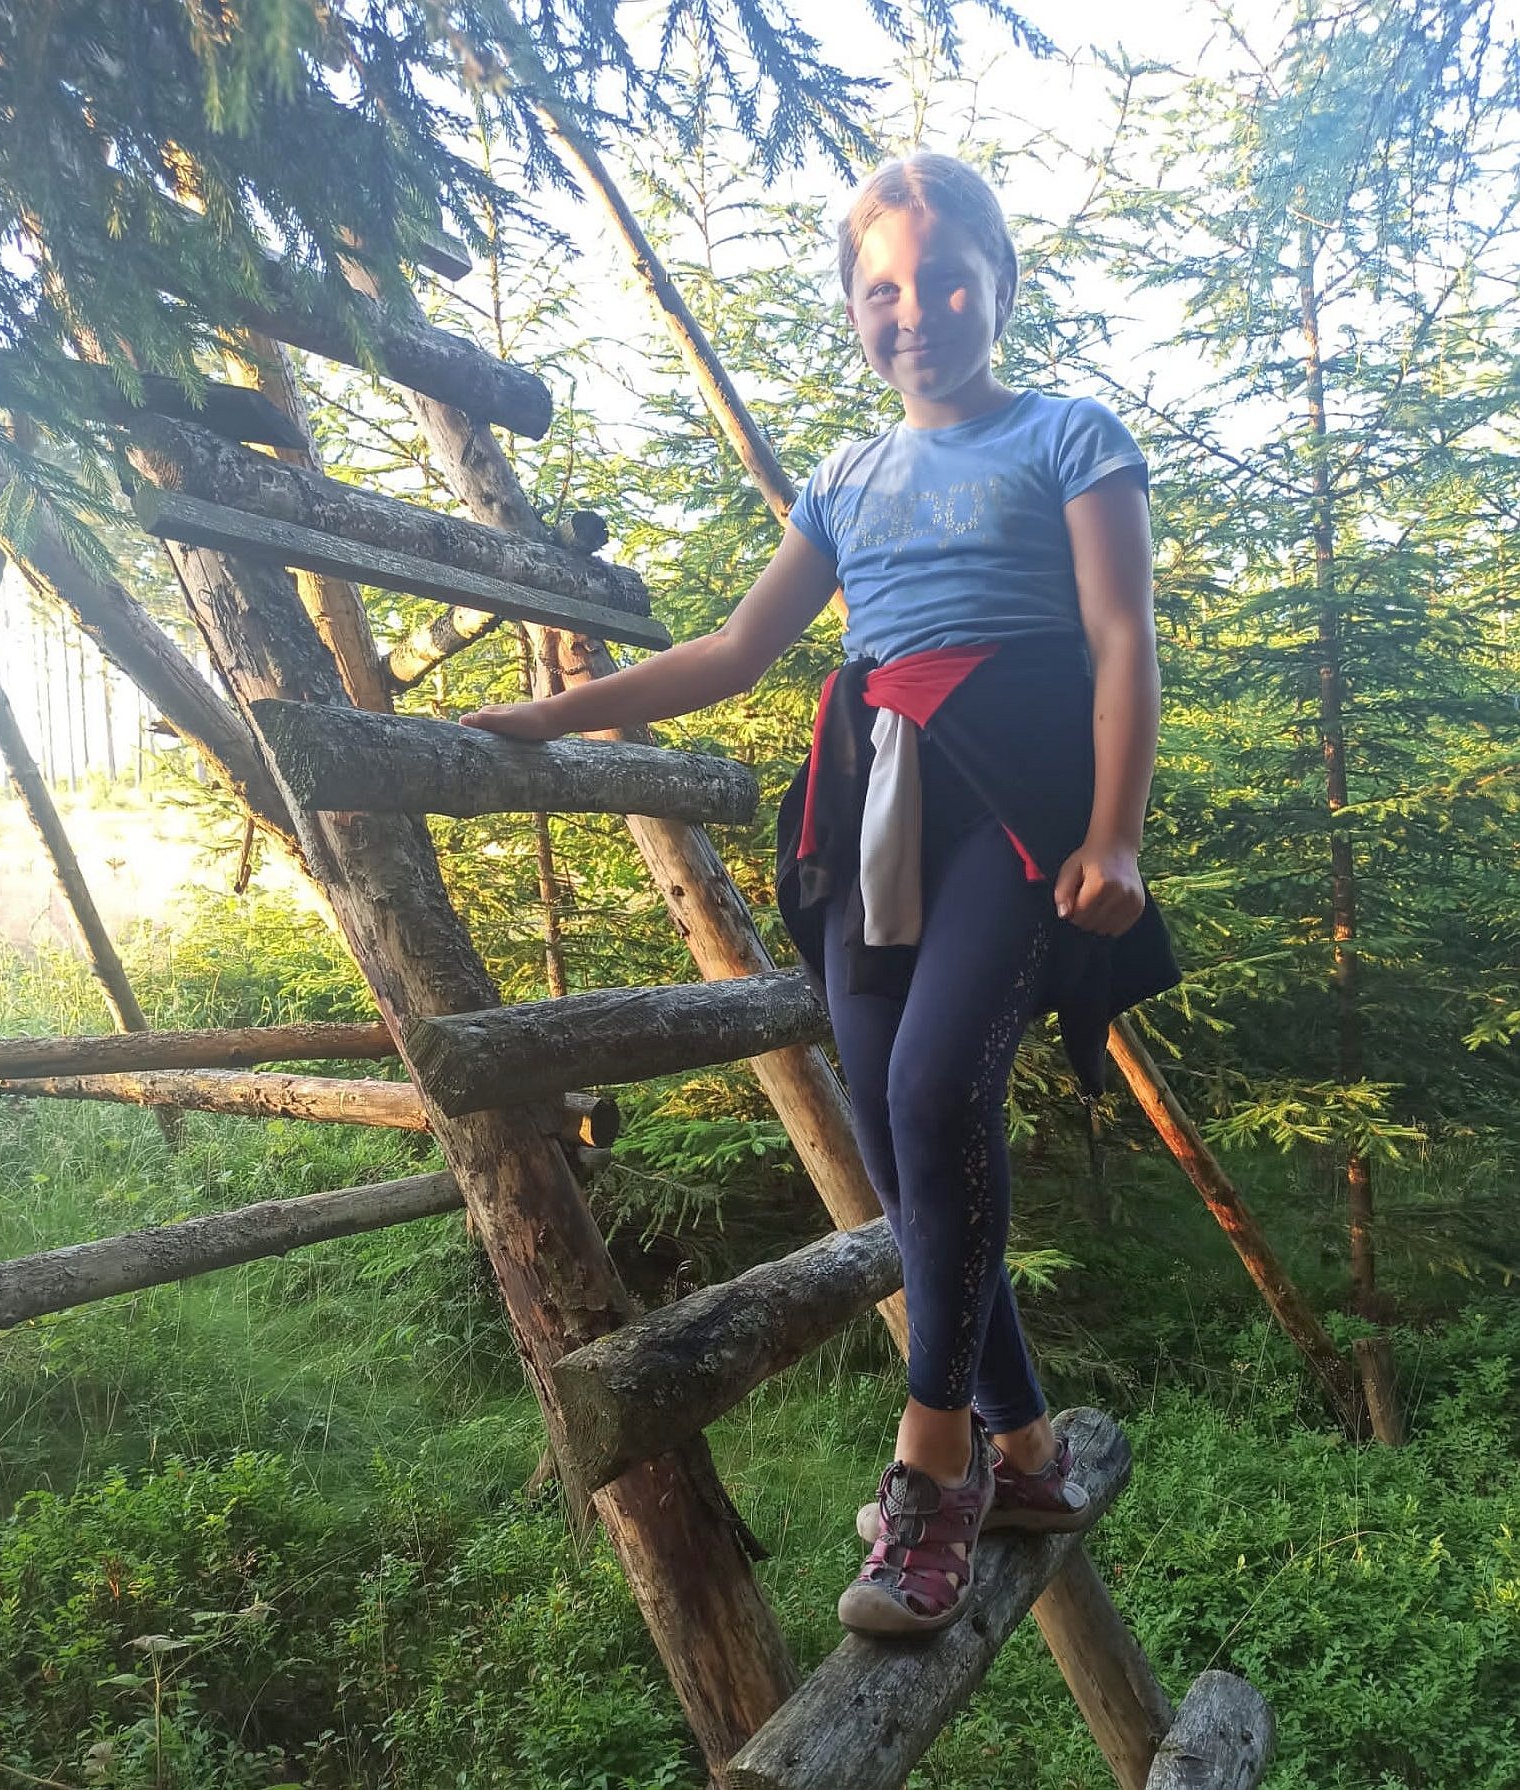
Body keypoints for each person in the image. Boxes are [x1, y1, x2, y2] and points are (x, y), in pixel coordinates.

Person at [461, 151, 1178, 1640]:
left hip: (1016, 804)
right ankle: (1026, 1455)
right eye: (882, 289)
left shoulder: (1069, 437)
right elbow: (735, 653)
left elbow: (1120, 637)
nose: (914, 312)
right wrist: (555, 716)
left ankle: (934, 1468)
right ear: (855, 305)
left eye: (945, 282)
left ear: (999, 284)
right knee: (905, 1143)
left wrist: (1113, 835)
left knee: (932, 1091)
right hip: (864, 806)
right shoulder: (843, 479)